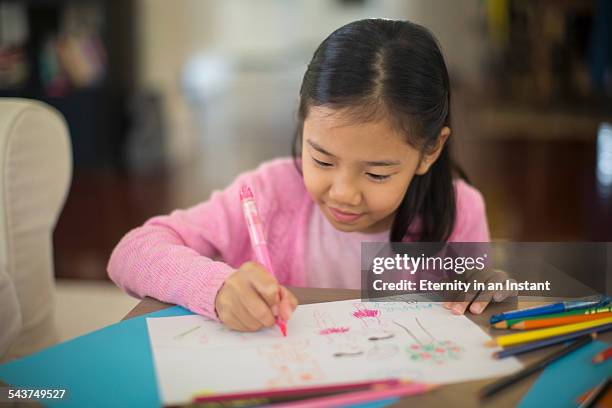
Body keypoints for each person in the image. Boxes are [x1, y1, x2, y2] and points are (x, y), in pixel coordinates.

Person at [108, 19, 500, 332]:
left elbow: (476, 310)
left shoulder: (461, 210)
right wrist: (216, 287)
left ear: (430, 151)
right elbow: (131, 253)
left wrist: (485, 290)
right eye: (323, 161)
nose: (344, 193)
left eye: (377, 173)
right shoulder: (270, 194)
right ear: (303, 122)